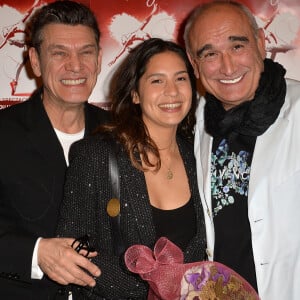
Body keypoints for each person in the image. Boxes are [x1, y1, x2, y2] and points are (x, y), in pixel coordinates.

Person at [56, 37, 207, 299]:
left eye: (181, 79)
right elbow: (73, 255)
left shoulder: (199, 154)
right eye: (157, 80)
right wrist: (158, 285)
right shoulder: (96, 155)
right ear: (135, 94)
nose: (172, 91)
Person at [183, 1, 300, 299]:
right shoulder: (197, 118)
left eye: (237, 46)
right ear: (194, 64)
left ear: (261, 44)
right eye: (210, 54)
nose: (228, 67)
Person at [0, 1, 111, 299]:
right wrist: (36, 253)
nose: (75, 66)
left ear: (99, 59)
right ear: (35, 61)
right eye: (59, 53)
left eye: (86, 52)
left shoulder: (121, 134)